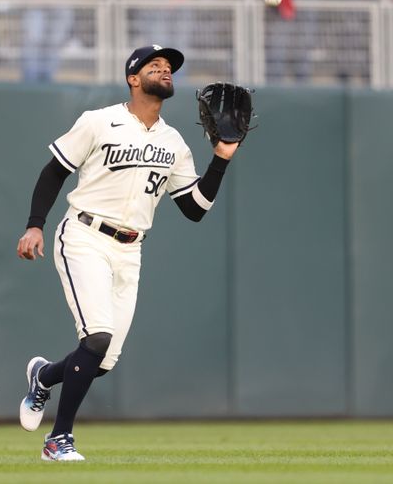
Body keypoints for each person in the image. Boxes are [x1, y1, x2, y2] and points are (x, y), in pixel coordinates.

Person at [16, 45, 239, 461]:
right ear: (133, 79)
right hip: (84, 236)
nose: (165, 70)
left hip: (130, 249)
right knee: (96, 337)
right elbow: (55, 171)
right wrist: (35, 224)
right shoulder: (99, 121)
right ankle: (58, 440)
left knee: (101, 360)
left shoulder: (173, 141)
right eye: (154, 66)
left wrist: (220, 160)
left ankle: (44, 376)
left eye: (169, 67)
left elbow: (194, 208)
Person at [11, 0, 103, 82]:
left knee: (55, 42)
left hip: (64, 0)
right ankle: (30, 83)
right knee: (33, 41)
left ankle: (47, 82)